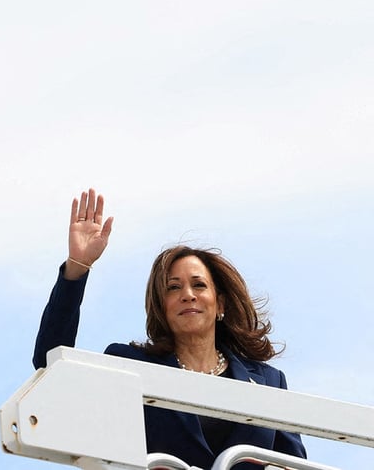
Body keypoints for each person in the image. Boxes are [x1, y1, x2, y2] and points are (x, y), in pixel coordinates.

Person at [32, 188, 306, 470]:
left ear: (220, 303)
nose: (188, 294)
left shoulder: (269, 381)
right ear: (162, 307)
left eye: (198, 285)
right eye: (173, 288)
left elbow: (295, 464)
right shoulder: (129, 366)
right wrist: (77, 268)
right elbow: (50, 364)